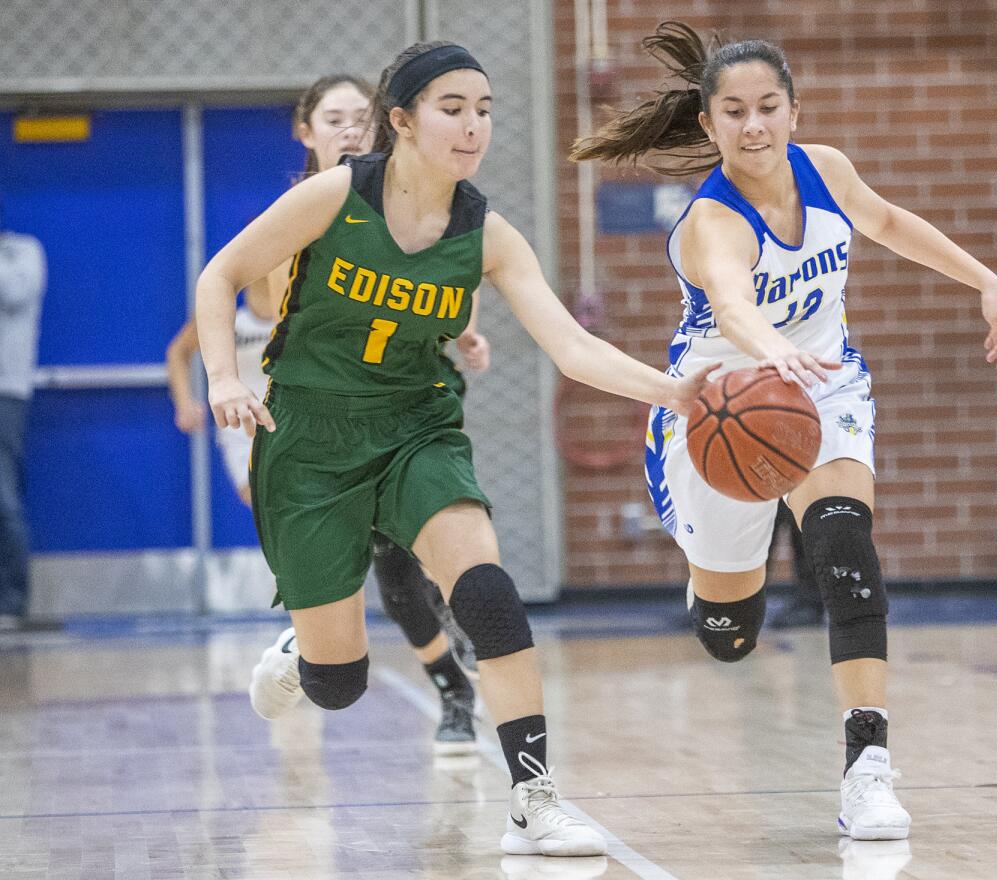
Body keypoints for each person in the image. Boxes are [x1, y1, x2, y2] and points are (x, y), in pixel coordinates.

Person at [194, 42, 716, 857]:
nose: (474, 126)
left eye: (484, 109)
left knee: (488, 596)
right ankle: (308, 650)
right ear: (400, 120)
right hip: (309, 437)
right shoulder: (336, 195)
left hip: (416, 426)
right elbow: (220, 275)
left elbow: (572, 348)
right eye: (452, 107)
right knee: (341, 685)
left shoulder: (488, 233)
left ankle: (534, 801)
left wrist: (675, 391)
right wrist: (225, 378)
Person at [572, 21, 997, 842]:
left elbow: (885, 221)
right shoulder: (714, 219)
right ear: (709, 124)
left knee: (846, 548)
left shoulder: (827, 169)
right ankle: (713, 589)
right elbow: (735, 304)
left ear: (793, 108)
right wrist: (774, 352)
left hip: (825, 388)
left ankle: (867, 770)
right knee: (729, 636)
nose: (755, 126)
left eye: (769, 107)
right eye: (736, 112)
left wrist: (984, 279)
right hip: (717, 407)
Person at [167, 75, 484, 756]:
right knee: (370, 579)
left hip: (403, 403)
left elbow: (455, 269)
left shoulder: (418, 197)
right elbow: (239, 298)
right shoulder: (303, 213)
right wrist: (217, 381)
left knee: (421, 548)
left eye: (361, 118)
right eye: (334, 118)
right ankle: (316, 634)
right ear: (304, 131)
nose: (351, 130)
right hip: (316, 414)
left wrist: (463, 332)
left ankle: (458, 673)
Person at [0, 195, 47, 630]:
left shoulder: (23, 253)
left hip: (6, 394)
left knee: (3, 497)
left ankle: (11, 603)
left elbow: (12, 293)